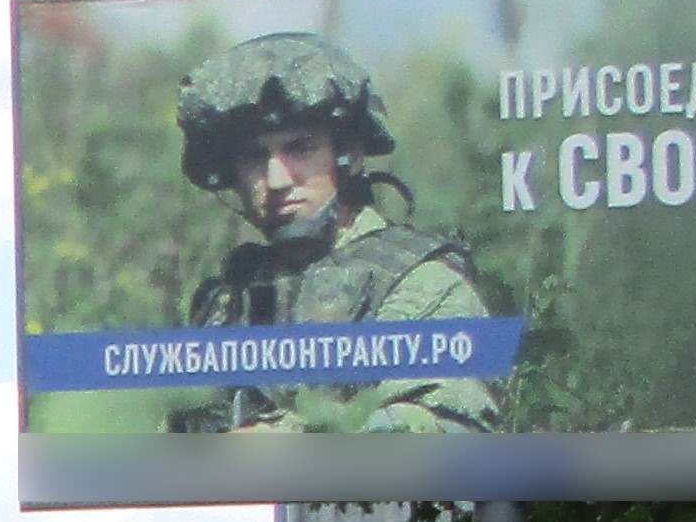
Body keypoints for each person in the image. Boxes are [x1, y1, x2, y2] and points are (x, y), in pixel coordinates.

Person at [170, 32, 499, 431]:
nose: (276, 179)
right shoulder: (227, 300)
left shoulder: (418, 285)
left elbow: (448, 438)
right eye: (255, 157)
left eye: (300, 148)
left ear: (351, 156)